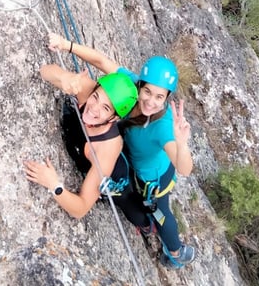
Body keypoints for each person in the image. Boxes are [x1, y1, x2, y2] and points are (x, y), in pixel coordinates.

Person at [46, 32, 196, 269]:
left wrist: (181, 142)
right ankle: (145, 226)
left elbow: (184, 168)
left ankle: (176, 252)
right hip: (131, 164)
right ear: (141, 86)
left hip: (153, 178)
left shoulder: (163, 127)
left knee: (161, 213)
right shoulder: (129, 92)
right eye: (148, 92)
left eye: (159, 97)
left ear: (167, 97)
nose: (151, 101)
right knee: (129, 199)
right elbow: (102, 62)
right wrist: (66, 45)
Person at [23, 64, 138, 219]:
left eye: (105, 108)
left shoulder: (106, 150)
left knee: (131, 208)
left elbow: (81, 209)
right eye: (96, 97)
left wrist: (54, 185)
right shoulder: (88, 90)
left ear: (115, 118)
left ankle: (147, 225)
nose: (94, 108)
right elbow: (45, 71)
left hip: (118, 180)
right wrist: (64, 78)